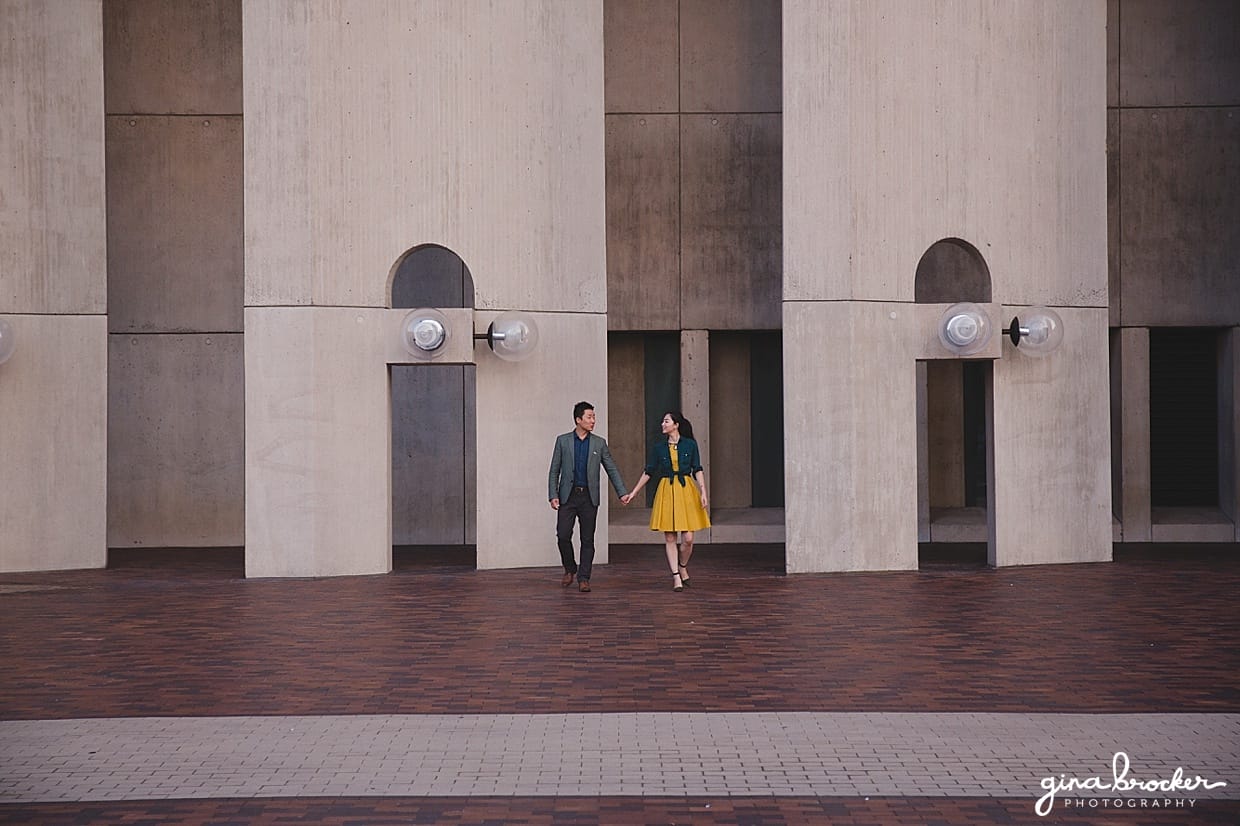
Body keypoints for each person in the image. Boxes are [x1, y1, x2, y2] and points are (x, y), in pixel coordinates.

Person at [620, 411, 710, 591]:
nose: (663, 424)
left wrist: (703, 491)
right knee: (670, 536)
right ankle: (676, 576)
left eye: (666, 421)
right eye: (663, 421)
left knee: (689, 538)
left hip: (686, 490)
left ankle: (682, 566)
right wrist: (634, 492)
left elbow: (697, 468)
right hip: (667, 490)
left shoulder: (690, 445)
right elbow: (649, 471)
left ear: (676, 425)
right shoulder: (659, 448)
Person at [548, 401, 629, 592]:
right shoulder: (563, 441)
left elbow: (611, 468)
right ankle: (570, 568)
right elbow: (554, 470)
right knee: (563, 535)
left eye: (594, 417)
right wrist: (553, 494)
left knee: (587, 539)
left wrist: (622, 492)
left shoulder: (599, 443)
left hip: (588, 498)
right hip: (568, 496)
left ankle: (584, 578)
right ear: (578, 420)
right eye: (589, 417)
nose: (593, 420)